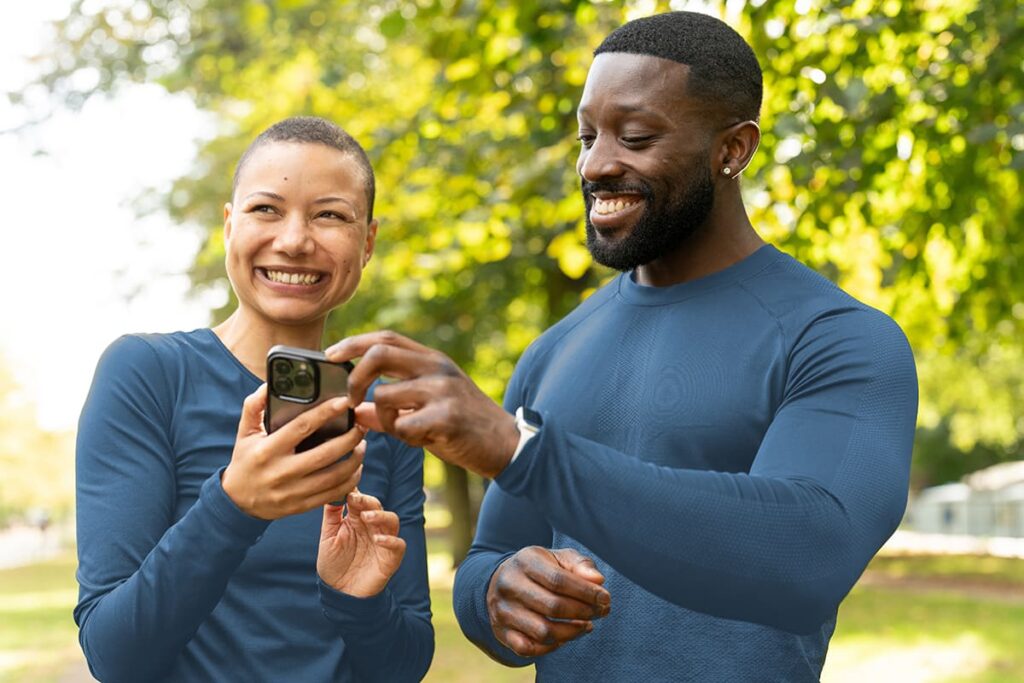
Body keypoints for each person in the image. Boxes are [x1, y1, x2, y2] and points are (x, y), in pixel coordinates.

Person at [325, 11, 917, 682]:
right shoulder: (555, 349)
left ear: (734, 149)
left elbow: (807, 555)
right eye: (587, 135)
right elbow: (489, 553)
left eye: (635, 137)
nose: (596, 164)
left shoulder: (838, 339)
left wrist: (521, 451)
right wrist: (497, 593)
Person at [75, 117, 433, 682]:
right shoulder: (146, 374)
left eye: (330, 215)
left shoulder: (379, 411)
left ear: (367, 243)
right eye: (267, 209)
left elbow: (406, 664)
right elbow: (115, 657)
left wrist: (356, 602)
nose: (293, 240)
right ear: (229, 225)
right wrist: (234, 506)